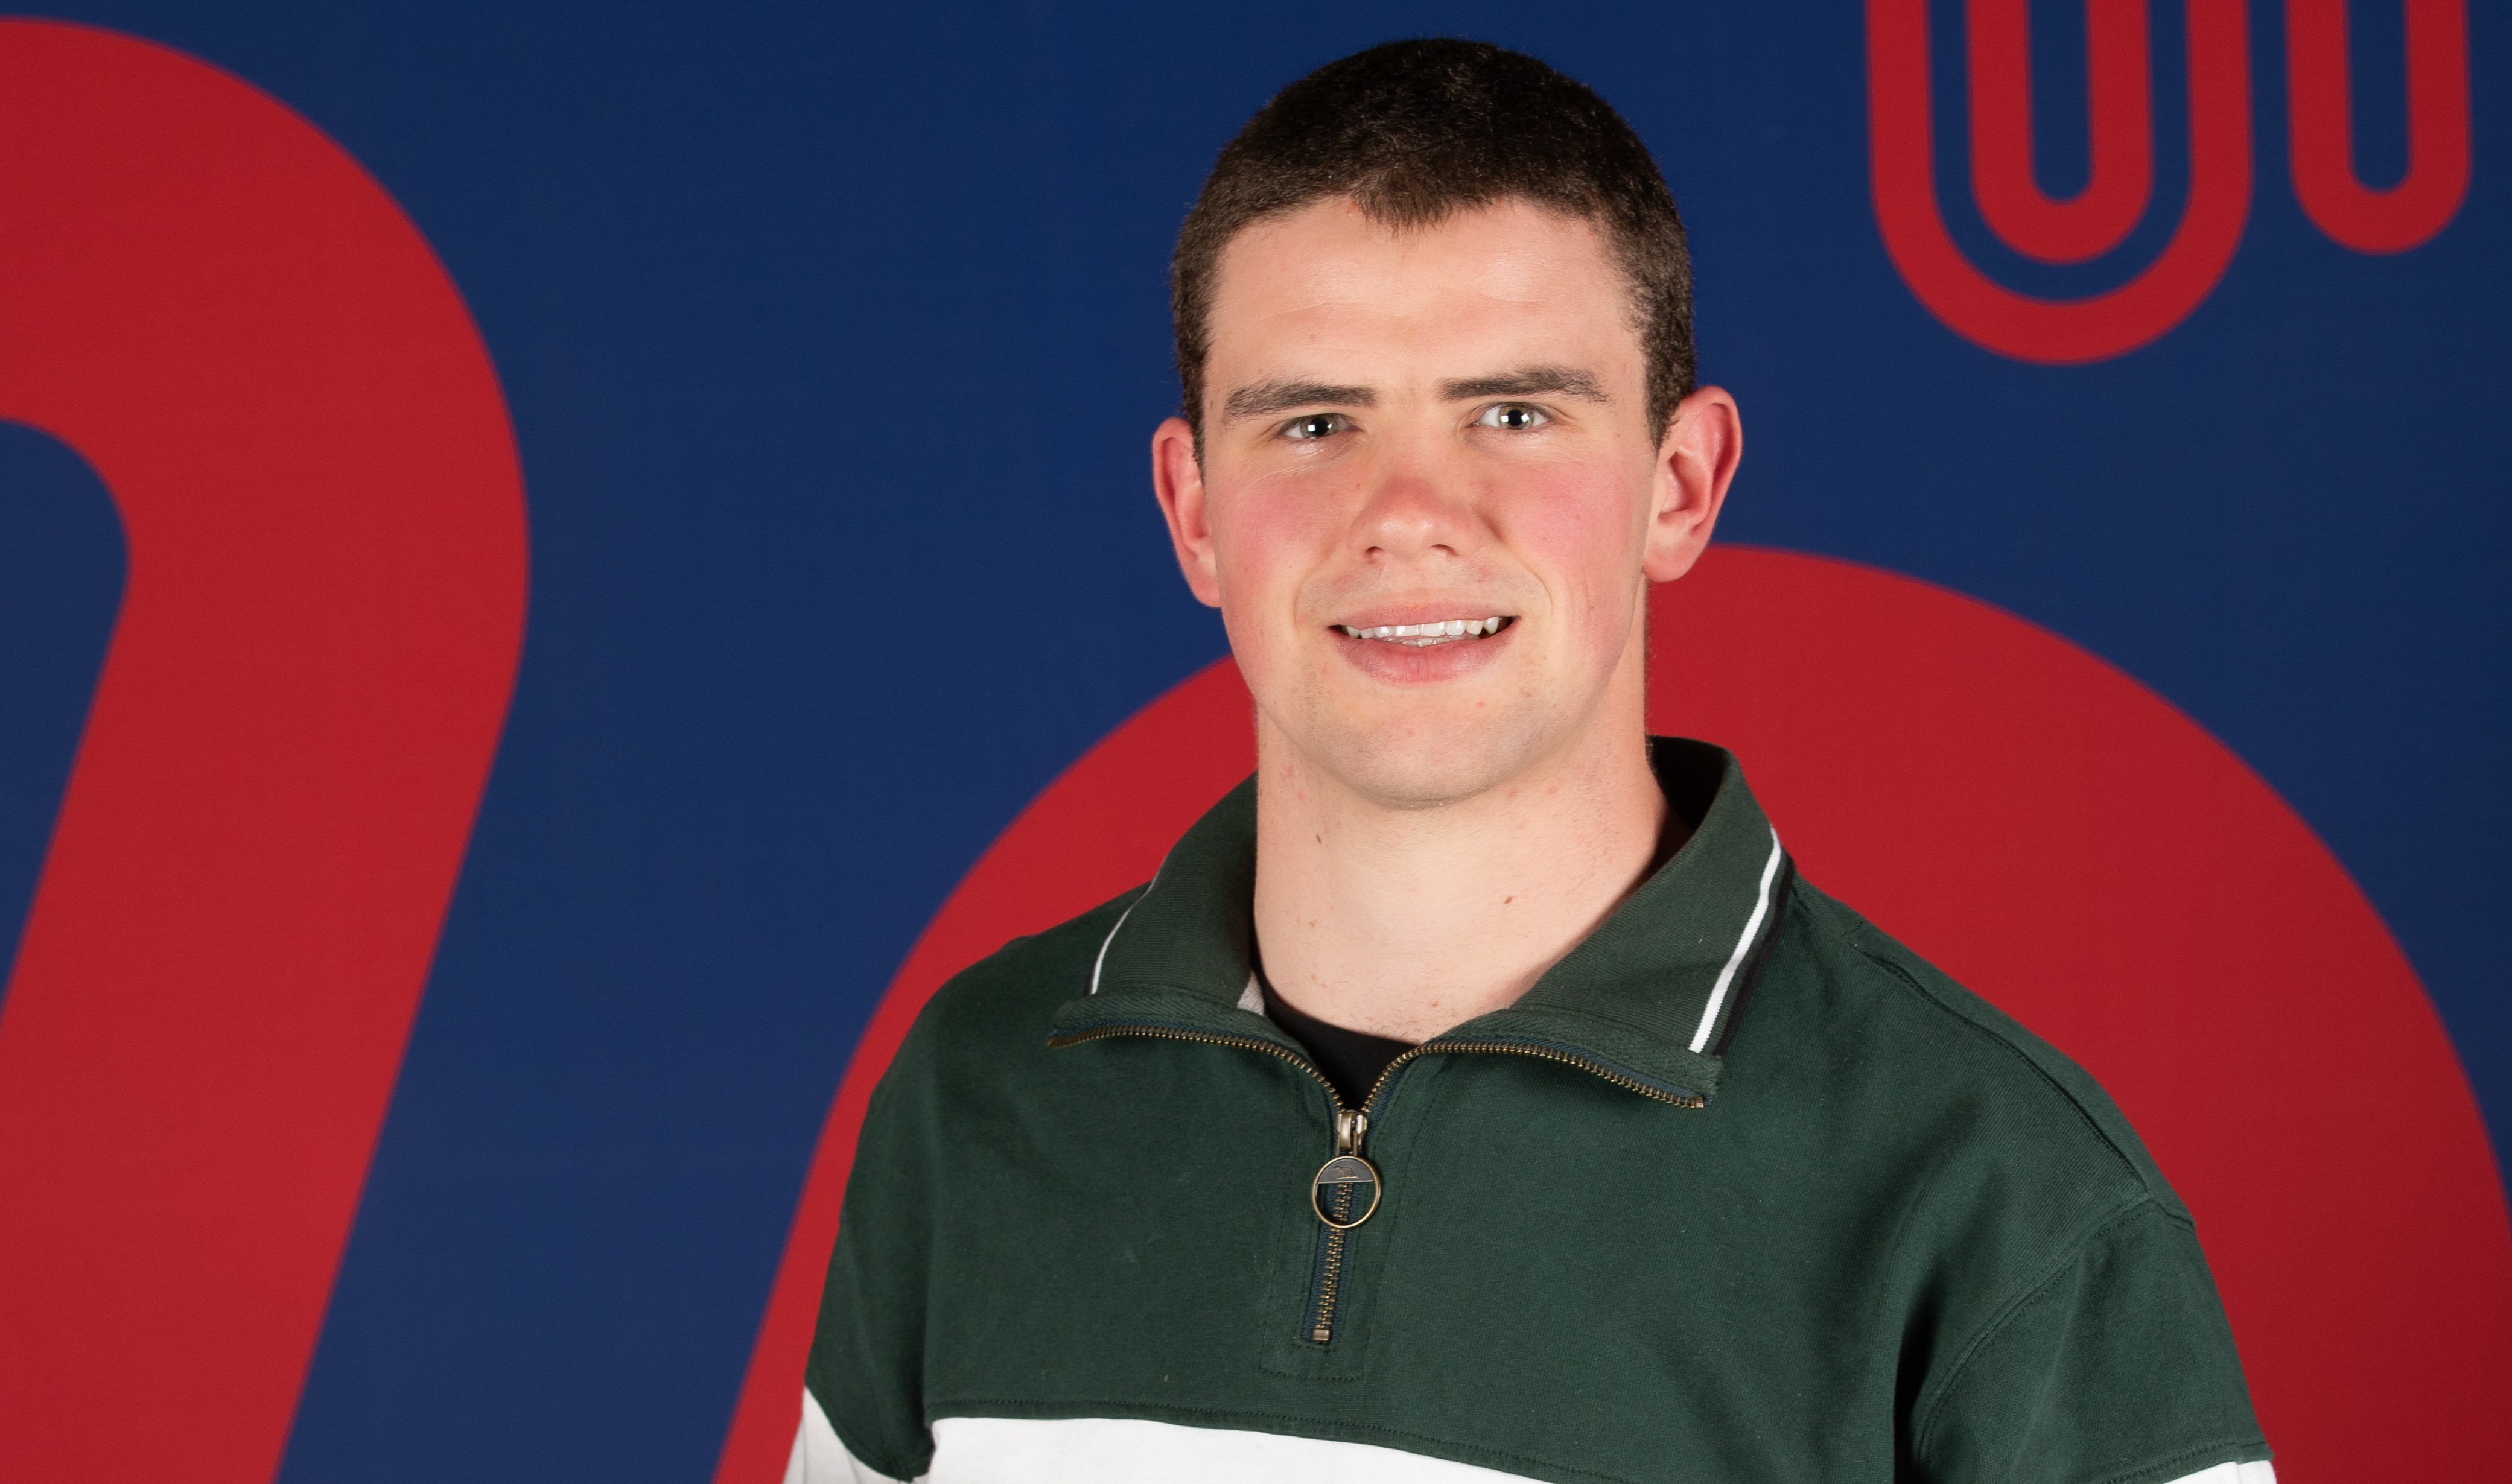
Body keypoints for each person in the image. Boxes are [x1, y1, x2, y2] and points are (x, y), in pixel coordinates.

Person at [791, 38, 2273, 1484]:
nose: (1409, 513)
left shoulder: (2002, 1201)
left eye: (1514, 414)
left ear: (1679, 485)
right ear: (1193, 513)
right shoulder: (978, 1091)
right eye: (1315, 422)